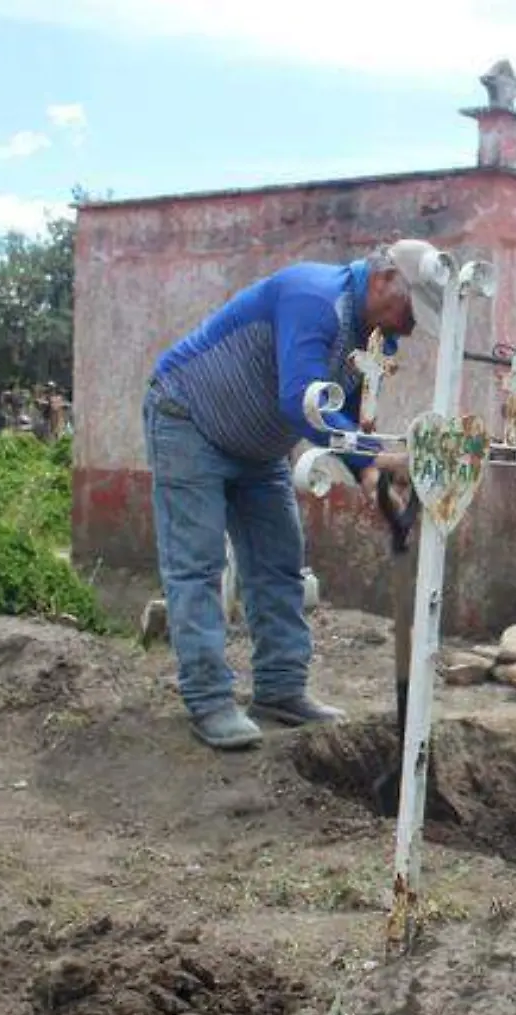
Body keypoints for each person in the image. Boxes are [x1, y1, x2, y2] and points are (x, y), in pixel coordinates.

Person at [144, 241, 431, 750]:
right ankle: (210, 701)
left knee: (279, 563)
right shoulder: (314, 296)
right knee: (198, 566)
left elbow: (354, 413)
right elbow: (302, 402)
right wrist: (382, 458)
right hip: (188, 418)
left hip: (258, 448)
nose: (412, 325)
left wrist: (369, 475)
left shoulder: (378, 338)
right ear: (385, 279)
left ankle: (280, 688)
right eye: (411, 309)